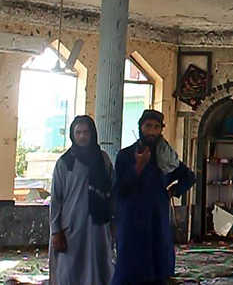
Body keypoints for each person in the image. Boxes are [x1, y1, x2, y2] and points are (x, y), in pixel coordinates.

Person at [112, 109, 195, 285]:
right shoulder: (126, 155)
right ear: (140, 127)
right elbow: (120, 188)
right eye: (148, 126)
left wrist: (173, 191)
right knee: (130, 267)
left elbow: (189, 176)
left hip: (157, 218)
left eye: (156, 127)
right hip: (131, 219)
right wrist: (139, 166)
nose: (152, 131)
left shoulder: (165, 157)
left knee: (159, 266)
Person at [48, 115, 115, 285]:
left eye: (86, 132)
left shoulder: (103, 159)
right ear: (72, 135)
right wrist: (56, 231)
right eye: (78, 132)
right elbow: (56, 199)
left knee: (99, 268)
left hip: (98, 227)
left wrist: (114, 222)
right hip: (71, 227)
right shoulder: (65, 163)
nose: (82, 136)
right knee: (69, 270)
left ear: (92, 134)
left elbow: (112, 191)